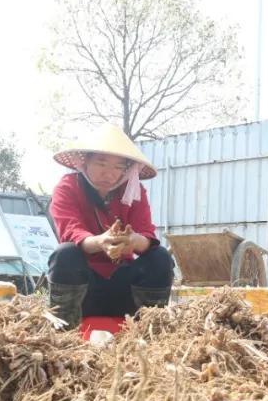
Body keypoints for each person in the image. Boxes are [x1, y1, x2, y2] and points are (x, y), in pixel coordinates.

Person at [47, 124, 174, 329]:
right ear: (85, 162)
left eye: (118, 167)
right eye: (101, 163)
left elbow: (146, 232)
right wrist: (101, 241)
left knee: (159, 257)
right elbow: (71, 231)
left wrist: (133, 241)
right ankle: (64, 330)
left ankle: (151, 330)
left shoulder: (135, 191)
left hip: (124, 289)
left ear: (126, 170)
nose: (109, 173)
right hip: (84, 288)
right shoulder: (68, 187)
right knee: (65, 254)